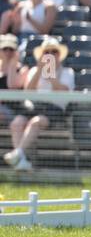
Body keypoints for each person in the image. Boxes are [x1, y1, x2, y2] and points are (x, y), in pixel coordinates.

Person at [4, 35, 75, 171]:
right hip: (34, 107)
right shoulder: (34, 71)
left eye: (54, 52)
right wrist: (39, 71)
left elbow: (62, 90)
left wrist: (52, 75)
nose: (50, 55)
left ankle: (17, 153)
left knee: (36, 122)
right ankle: (21, 160)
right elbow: (28, 91)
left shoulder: (67, 72)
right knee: (16, 122)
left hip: (54, 110)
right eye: (46, 52)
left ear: (59, 55)